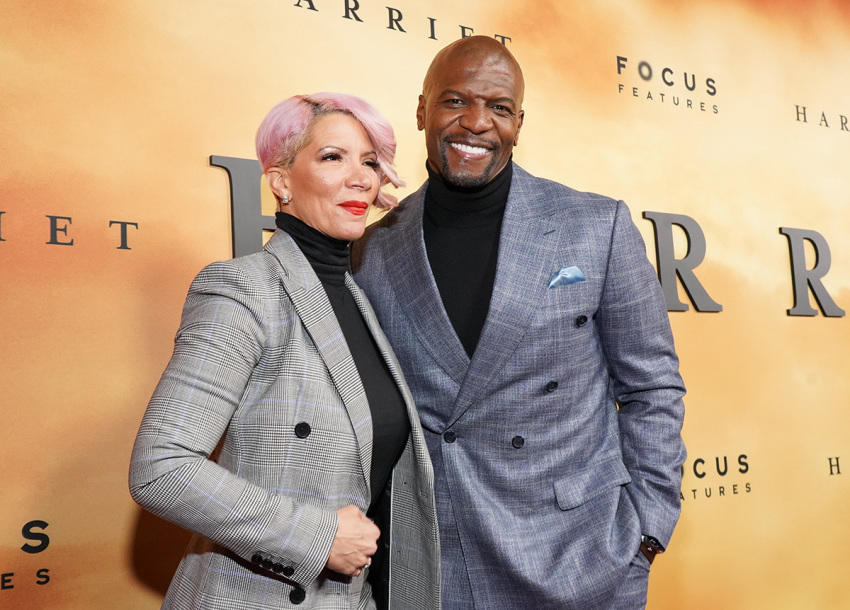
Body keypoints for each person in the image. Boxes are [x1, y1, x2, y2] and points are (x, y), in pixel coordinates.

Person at [352, 36, 686, 609]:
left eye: (499, 109)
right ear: (421, 110)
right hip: (439, 562)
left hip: (582, 559)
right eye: (455, 100)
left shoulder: (596, 225)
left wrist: (646, 530)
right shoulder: (373, 247)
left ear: (518, 122)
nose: (477, 123)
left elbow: (652, 385)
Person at [129, 92, 440, 610]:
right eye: (332, 157)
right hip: (255, 596)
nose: (361, 177)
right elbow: (161, 466)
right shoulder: (243, 289)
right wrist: (317, 537)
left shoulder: (357, 298)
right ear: (280, 182)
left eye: (369, 161)